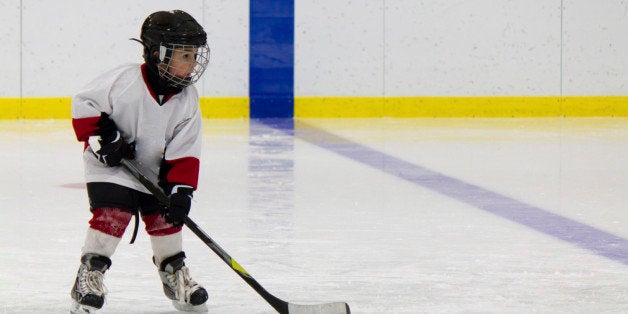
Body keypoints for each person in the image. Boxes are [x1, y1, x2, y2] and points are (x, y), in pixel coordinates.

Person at [69, 10, 211, 313]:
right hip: (112, 168)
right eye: (183, 55)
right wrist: (104, 139)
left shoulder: (187, 101)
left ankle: (174, 273)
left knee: (166, 219)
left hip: (155, 172)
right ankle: (89, 274)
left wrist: (181, 191)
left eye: (194, 55)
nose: (192, 63)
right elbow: (84, 103)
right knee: (112, 214)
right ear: (157, 53)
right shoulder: (124, 80)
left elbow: (185, 149)